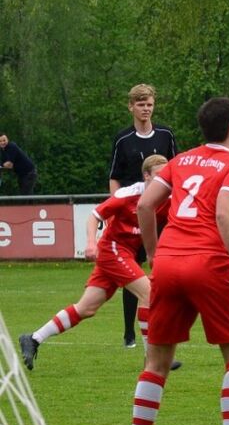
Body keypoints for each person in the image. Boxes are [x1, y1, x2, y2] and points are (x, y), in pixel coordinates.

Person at [127, 97, 229, 425]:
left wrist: (156, 255)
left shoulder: (181, 160)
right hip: (210, 264)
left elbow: (145, 205)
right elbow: (224, 212)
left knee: (156, 363)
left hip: (169, 263)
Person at [18, 155, 169, 371]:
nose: (164, 180)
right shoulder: (128, 194)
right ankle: (152, 358)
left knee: (86, 308)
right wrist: (91, 243)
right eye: (159, 175)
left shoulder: (167, 197)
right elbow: (94, 216)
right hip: (112, 250)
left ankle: (33, 338)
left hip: (124, 253)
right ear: (146, 176)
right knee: (149, 293)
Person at [109, 84, 178, 349]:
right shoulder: (123, 139)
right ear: (131, 107)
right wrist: (115, 209)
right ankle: (129, 332)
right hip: (133, 214)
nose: (146, 109)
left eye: (149, 104)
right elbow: (114, 177)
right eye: (140, 104)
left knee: (166, 267)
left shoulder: (166, 134)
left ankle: (164, 325)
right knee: (133, 271)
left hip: (162, 213)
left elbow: (177, 170)